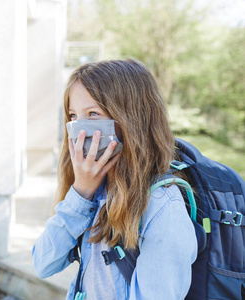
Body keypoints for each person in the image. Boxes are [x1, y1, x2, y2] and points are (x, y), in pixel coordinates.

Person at [32, 59, 197, 300]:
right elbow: (43, 263)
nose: (79, 128)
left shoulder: (162, 205)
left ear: (131, 118)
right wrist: (81, 193)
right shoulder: (95, 189)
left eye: (93, 114)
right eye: (73, 115)